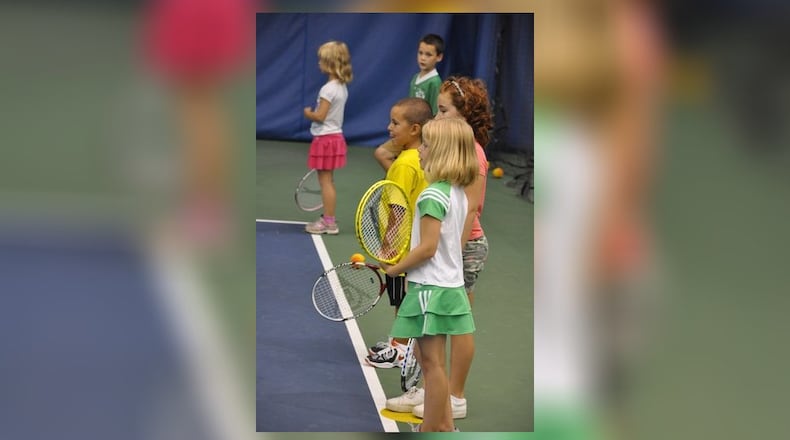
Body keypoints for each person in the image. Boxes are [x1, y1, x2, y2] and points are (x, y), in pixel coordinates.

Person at [386, 76, 494, 420]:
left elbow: (438, 241)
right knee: (433, 362)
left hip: (443, 272)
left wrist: (397, 267)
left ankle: (447, 406)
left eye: (444, 110)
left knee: (435, 360)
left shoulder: (440, 191)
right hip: (443, 273)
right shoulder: (451, 190)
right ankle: (441, 420)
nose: (420, 149)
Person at [364, 97, 433, 368]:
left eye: (395, 123)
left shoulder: (404, 164)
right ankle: (400, 344)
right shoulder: (418, 158)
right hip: (412, 246)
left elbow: (398, 209)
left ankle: (401, 350)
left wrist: (388, 249)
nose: (389, 127)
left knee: (401, 302)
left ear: (415, 129)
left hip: (401, 248)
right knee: (403, 300)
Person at [373, 34, 445, 172]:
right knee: (381, 153)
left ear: (439, 57)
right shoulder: (415, 78)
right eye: (420, 53)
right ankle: (398, 180)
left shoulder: (435, 82)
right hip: (407, 133)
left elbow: (435, 114)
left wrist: (426, 140)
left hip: (420, 138)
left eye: (428, 54)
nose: (423, 57)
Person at [303, 41, 353, 235]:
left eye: (321, 60)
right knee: (328, 181)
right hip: (335, 138)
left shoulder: (328, 89)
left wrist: (309, 113)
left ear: (330, 63)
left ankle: (329, 223)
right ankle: (329, 218)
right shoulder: (341, 87)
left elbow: (320, 116)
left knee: (325, 182)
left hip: (325, 140)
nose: (318, 63)